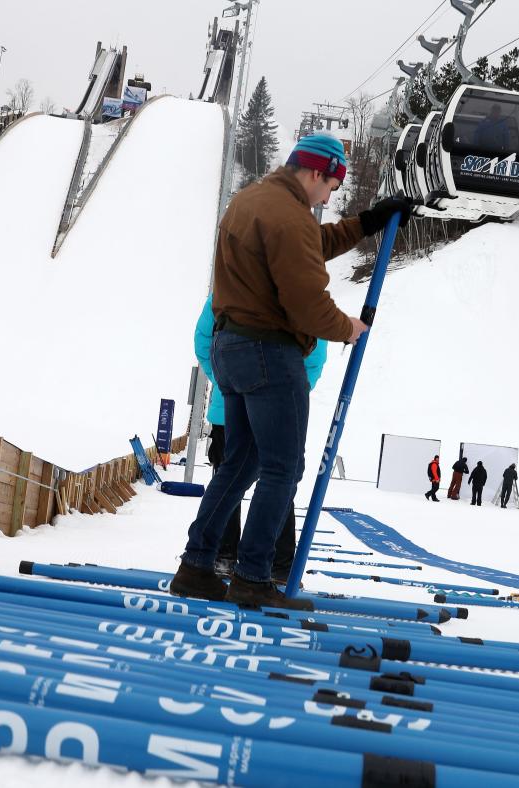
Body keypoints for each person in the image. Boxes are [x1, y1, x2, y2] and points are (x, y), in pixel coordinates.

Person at [171, 132, 412, 609]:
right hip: (269, 353)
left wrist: (365, 223)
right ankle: (253, 576)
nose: (329, 197)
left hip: (231, 348)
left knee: (239, 464)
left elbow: (309, 245)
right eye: (331, 187)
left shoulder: (255, 200)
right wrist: (348, 328)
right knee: (284, 469)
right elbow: (305, 301)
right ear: (318, 173)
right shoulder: (288, 215)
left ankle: (197, 565)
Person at [194, 293, 327, 582]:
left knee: (250, 477)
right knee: (277, 477)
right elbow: (205, 339)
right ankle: (248, 561)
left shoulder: (232, 280)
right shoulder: (296, 280)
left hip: (244, 401)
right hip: (261, 403)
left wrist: (229, 380)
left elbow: (206, 341)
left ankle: (254, 561)